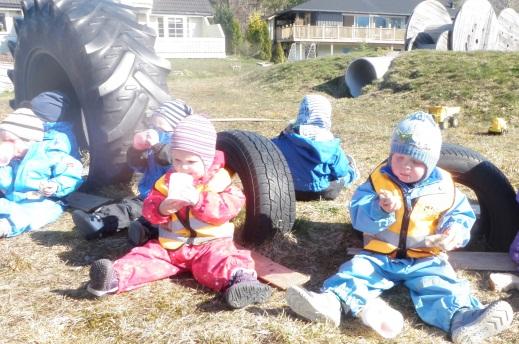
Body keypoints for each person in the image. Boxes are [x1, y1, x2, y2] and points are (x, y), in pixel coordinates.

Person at [285, 112, 513, 343]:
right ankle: (331, 304)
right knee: (356, 272)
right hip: (380, 255)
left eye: (415, 161)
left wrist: (453, 231)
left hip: (424, 258)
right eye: (399, 158)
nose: (404, 167)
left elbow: (460, 215)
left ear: (431, 161)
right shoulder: (379, 181)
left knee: (442, 284)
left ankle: (463, 319)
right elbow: (358, 214)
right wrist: (380, 208)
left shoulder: (444, 186)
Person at [86, 114, 273, 309]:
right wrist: (161, 208)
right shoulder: (167, 181)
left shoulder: (220, 182)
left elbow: (229, 208)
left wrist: (199, 200)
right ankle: (112, 278)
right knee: (145, 257)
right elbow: (149, 208)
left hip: (210, 245)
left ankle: (241, 282)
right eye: (177, 160)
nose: (182, 167)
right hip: (172, 245)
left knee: (224, 260)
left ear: (207, 160)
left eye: (191, 162)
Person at [72, 99, 192, 243]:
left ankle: (144, 232)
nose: (154, 130)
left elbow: (170, 160)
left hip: (167, 201)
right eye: (152, 125)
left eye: (160, 127)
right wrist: (136, 149)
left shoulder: (177, 146)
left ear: (176, 129)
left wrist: (157, 146)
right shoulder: (152, 144)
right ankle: (98, 221)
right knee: (128, 207)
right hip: (147, 196)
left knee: (155, 218)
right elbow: (138, 166)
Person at [0, 108, 83, 238]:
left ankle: (6, 226)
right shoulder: (12, 159)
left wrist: (56, 185)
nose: (6, 145)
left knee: (35, 213)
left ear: (29, 140)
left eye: (10, 140)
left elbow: (72, 172)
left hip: (43, 200)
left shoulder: (49, 152)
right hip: (12, 197)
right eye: (3, 140)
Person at [272, 94, 358, 201]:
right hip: (324, 191)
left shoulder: (284, 139)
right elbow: (341, 171)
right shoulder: (330, 143)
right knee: (346, 174)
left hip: (291, 190)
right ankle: (353, 172)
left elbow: (269, 152)